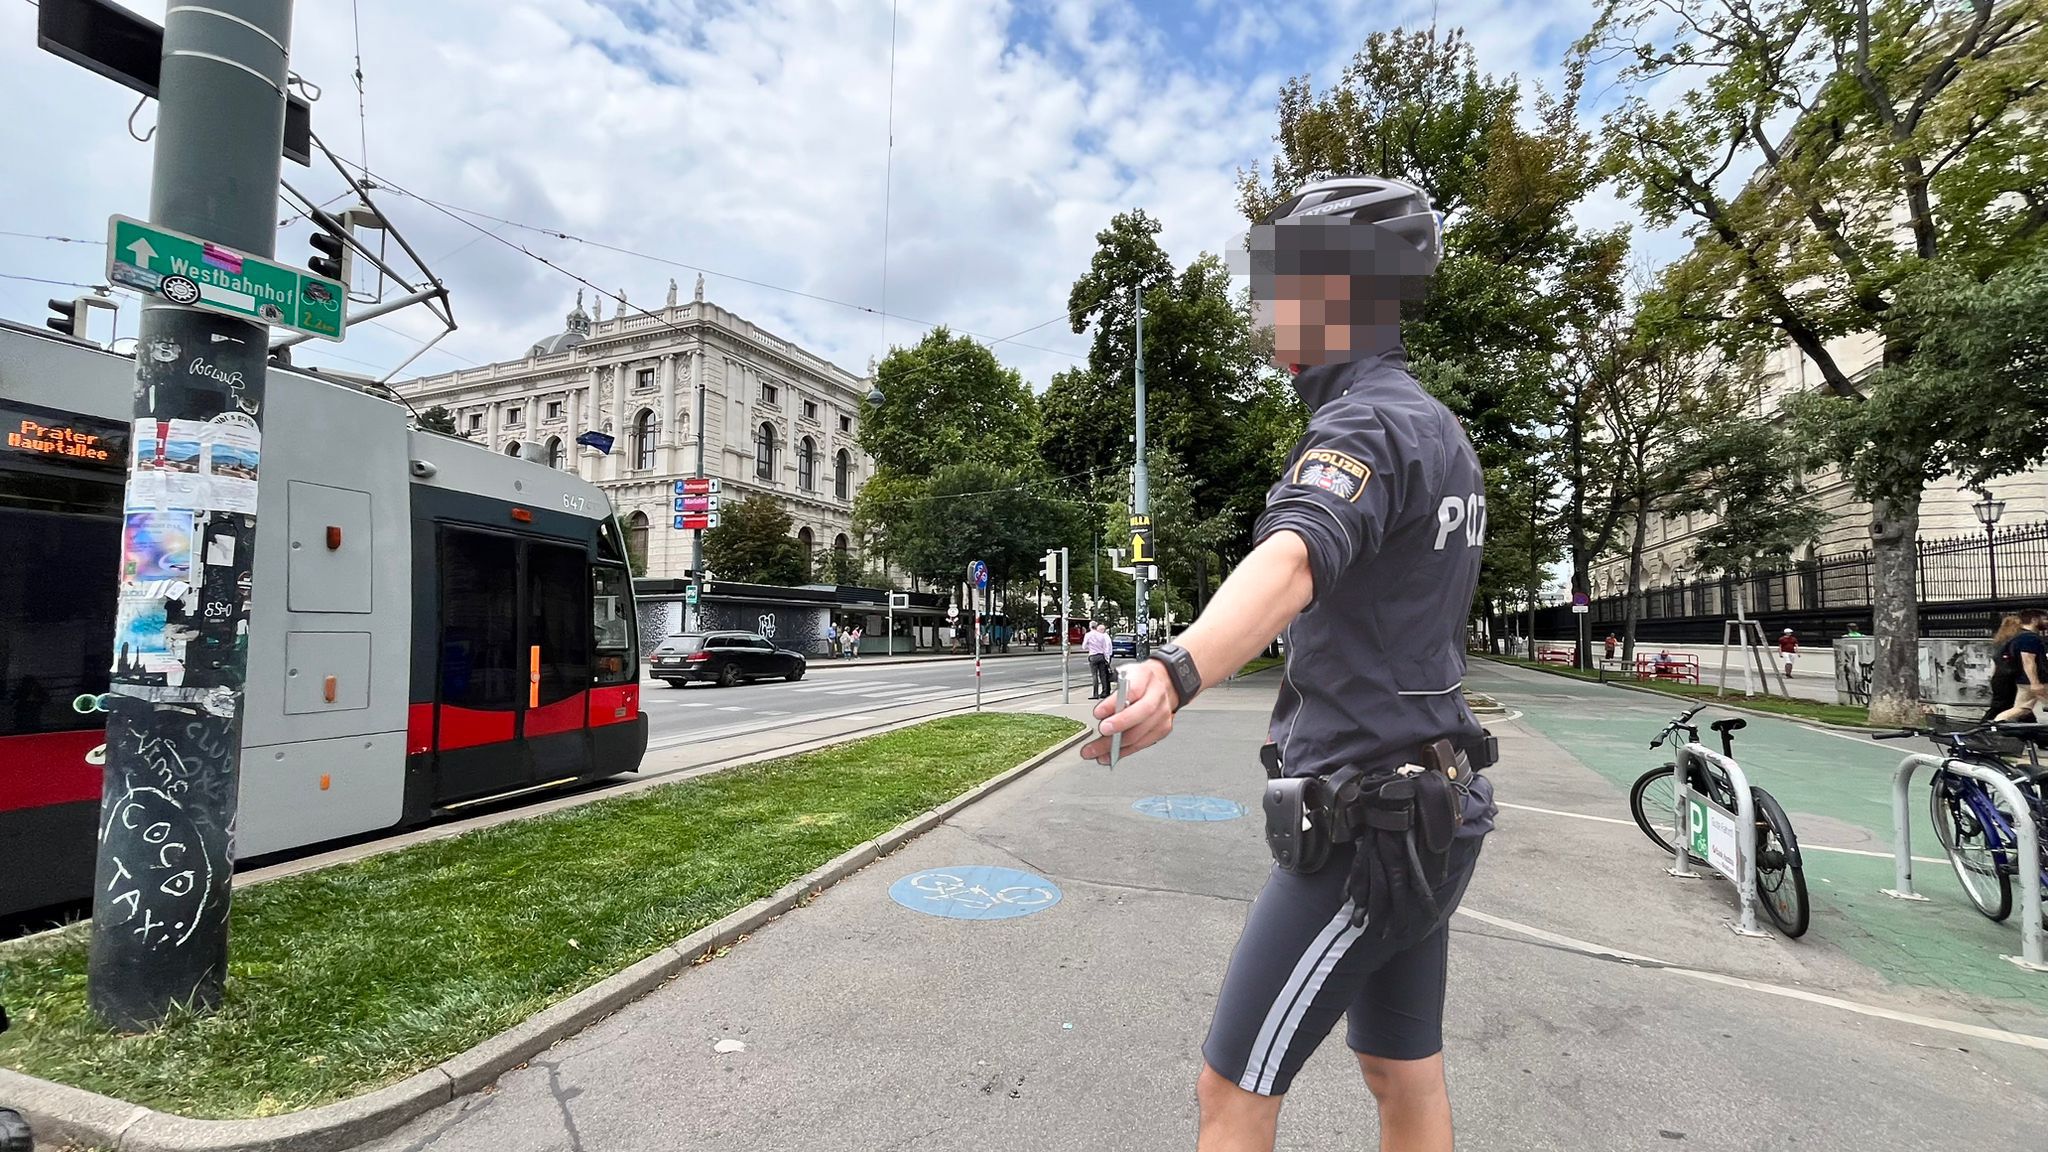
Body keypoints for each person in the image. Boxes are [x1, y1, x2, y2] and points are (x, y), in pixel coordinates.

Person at [1087, 174, 1495, 1152]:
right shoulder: (1440, 434)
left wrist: (1177, 670)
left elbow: (1293, 557)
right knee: (1399, 1073)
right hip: (1435, 809)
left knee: (1228, 1092)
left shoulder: (1362, 424)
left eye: (1287, 278)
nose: (1266, 301)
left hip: (1364, 822)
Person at [1993, 609, 2048, 723]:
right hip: (2035, 681)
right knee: (2022, 708)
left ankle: (1994, 725)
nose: (2046, 622)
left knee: (2022, 709)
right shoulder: (2029, 638)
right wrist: (2035, 683)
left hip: (2025, 681)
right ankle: (1994, 725)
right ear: (2034, 620)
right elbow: (2028, 661)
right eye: (2044, 619)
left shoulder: (2018, 637)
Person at [1982, 613, 2023, 722]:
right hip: (2010, 677)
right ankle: (1984, 725)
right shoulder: (2015, 642)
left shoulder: (1999, 642)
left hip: (1999, 677)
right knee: (2015, 705)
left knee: (2005, 704)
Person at [1084, 621, 1113, 699]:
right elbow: (1105, 647)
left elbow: (1084, 646)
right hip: (1101, 656)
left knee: (1094, 675)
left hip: (1093, 655)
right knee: (1103, 675)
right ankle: (1105, 691)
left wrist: (1090, 646)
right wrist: (1107, 658)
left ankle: (1095, 694)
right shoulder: (1102, 636)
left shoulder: (1088, 635)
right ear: (1096, 627)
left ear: (1090, 626)